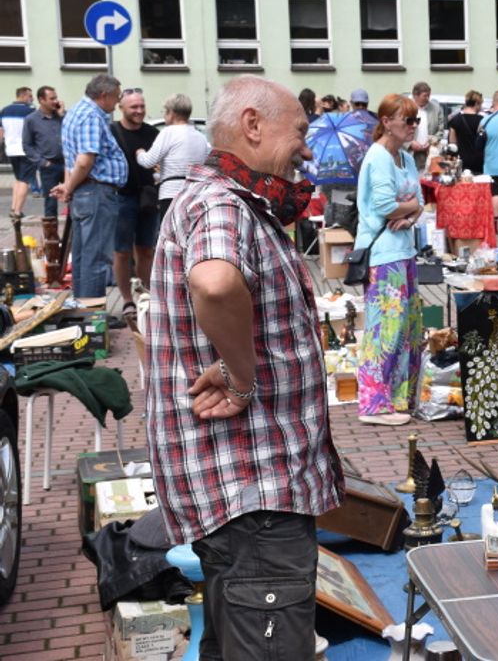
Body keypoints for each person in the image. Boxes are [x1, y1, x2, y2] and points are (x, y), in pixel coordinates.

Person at [146, 75, 343, 659]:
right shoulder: (220, 201)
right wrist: (240, 376)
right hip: (252, 495)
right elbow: (214, 282)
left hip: (245, 490)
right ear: (253, 125)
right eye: (300, 131)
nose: (306, 148)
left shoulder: (226, 199)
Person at [354, 93, 424, 426]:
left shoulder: (406, 159)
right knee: (385, 329)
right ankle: (372, 403)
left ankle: (397, 397)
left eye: (416, 121)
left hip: (405, 250)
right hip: (383, 254)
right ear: (387, 122)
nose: (413, 127)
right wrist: (408, 207)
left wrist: (409, 214)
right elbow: (384, 207)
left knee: (407, 329)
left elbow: (420, 202)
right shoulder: (378, 157)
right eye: (407, 120)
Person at [54, 74, 129, 298]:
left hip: (86, 191)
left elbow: (71, 159)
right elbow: (84, 161)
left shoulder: (75, 112)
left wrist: (69, 185)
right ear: (103, 95)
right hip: (97, 192)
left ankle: (82, 308)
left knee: (82, 255)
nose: (117, 103)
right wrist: (68, 188)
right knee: (96, 257)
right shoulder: (91, 117)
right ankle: (92, 314)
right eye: (116, 97)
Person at [110, 89, 160, 313]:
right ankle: (127, 300)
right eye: (134, 107)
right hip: (122, 198)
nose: (139, 111)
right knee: (122, 251)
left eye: (142, 106)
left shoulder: (152, 133)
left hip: (148, 197)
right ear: (122, 108)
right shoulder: (112, 131)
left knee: (146, 249)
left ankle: (145, 296)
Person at [137, 93, 211, 221]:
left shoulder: (168, 133)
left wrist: (140, 153)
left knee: (172, 237)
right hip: (196, 194)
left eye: (164, 111)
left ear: (172, 113)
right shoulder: (201, 137)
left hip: (171, 194)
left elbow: (149, 161)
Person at [21, 86, 66, 220]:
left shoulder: (63, 116)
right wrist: (43, 162)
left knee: (74, 200)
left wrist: (62, 115)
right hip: (49, 167)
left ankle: (73, 238)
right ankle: (52, 239)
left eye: (55, 98)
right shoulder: (31, 119)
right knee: (51, 205)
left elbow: (73, 134)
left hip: (68, 165)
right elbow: (27, 145)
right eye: (51, 98)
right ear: (41, 100)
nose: (55, 101)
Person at [1, 86, 36, 218]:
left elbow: (1, 131)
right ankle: (17, 211)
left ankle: (13, 208)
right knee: (24, 181)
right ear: (23, 96)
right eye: (30, 96)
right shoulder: (30, 111)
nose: (32, 99)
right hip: (26, 150)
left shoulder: (4, 110)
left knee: (18, 179)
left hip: (10, 150)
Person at [409, 81, 446, 171]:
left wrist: (431, 143)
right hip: (410, 153)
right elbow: (399, 130)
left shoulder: (436, 109)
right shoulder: (407, 108)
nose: (427, 98)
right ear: (415, 95)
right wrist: (410, 143)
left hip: (429, 152)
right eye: (425, 96)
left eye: (429, 95)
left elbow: (441, 130)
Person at [446, 90, 485, 174]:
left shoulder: (455, 120)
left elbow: (452, 143)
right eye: (480, 104)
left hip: (461, 161)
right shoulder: (481, 120)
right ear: (476, 104)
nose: (481, 107)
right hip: (478, 162)